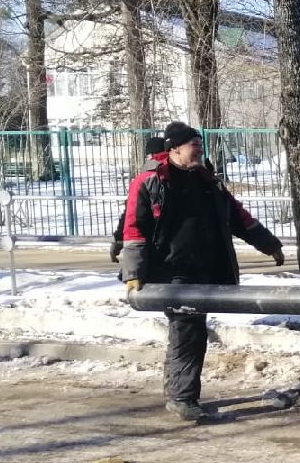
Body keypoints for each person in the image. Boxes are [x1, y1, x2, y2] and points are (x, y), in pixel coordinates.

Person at [118, 122, 285, 422]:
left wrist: (269, 244)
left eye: (200, 144)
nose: (200, 149)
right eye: (194, 144)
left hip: (206, 268)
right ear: (174, 149)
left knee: (190, 331)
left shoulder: (208, 181)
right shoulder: (149, 183)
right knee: (188, 329)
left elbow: (238, 217)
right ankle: (182, 398)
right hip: (172, 271)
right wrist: (133, 271)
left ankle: (178, 393)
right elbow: (133, 228)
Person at [109, 135, 165, 263]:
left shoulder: (144, 179)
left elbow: (132, 214)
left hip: (151, 247)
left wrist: (118, 240)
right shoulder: (187, 173)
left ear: (150, 156)